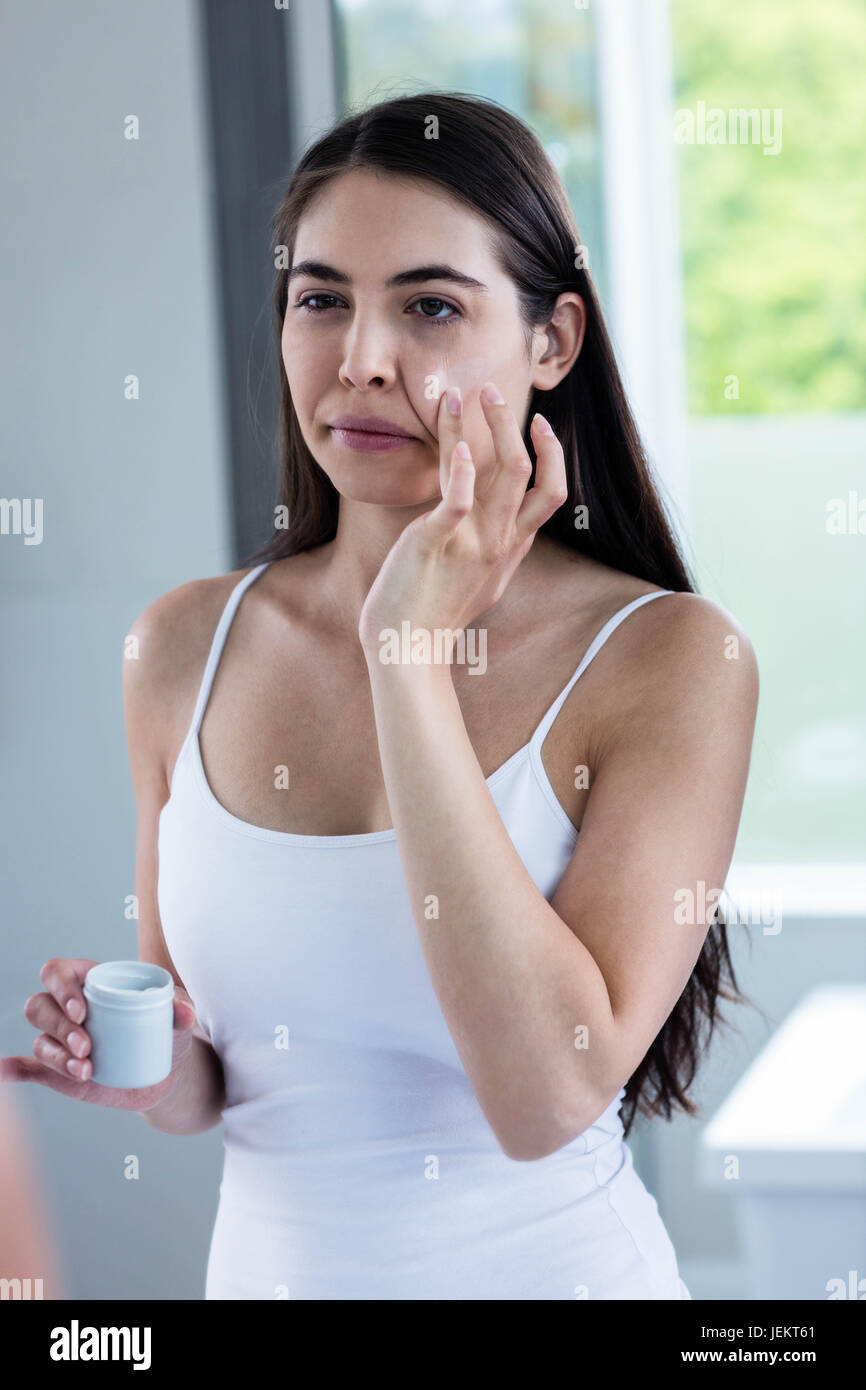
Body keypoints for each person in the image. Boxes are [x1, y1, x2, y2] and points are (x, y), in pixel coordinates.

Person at [2, 92, 758, 1300]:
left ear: (551, 341)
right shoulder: (180, 645)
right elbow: (220, 1077)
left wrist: (405, 654)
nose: (360, 357)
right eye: (321, 299)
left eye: (429, 305)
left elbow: (545, 1098)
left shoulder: (666, 659)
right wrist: (142, 1067)